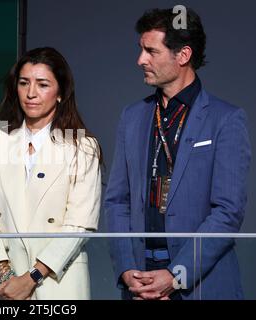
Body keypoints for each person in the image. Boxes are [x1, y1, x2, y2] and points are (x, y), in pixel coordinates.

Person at [105, 8, 251, 300]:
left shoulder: (226, 119)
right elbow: (117, 201)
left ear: (183, 55)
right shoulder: (132, 117)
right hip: (139, 282)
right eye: (141, 50)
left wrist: (176, 275)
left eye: (151, 51)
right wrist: (126, 269)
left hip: (201, 283)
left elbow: (227, 212)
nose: (140, 60)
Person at [0, 47, 102, 300]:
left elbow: (79, 224)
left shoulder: (82, 147)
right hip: (3, 285)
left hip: (56, 283)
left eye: (42, 84)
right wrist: (7, 275)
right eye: (24, 83)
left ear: (61, 92)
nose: (31, 93)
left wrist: (32, 278)